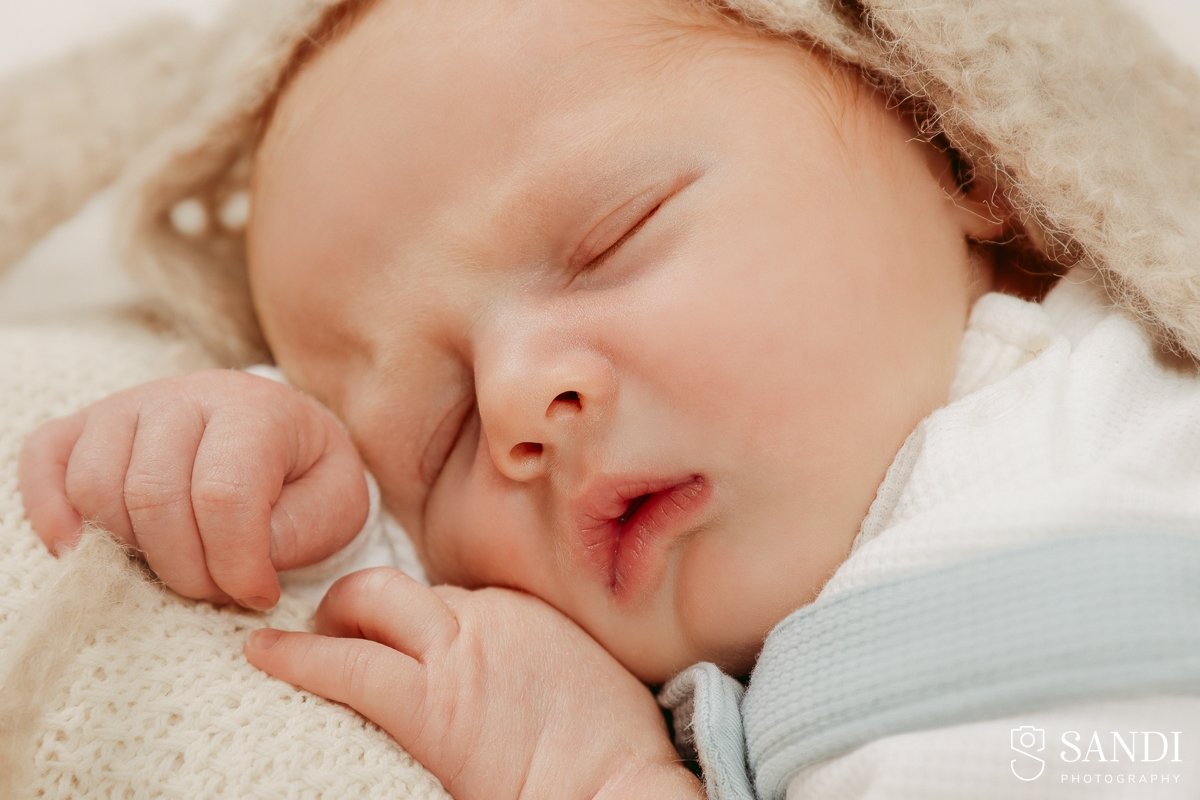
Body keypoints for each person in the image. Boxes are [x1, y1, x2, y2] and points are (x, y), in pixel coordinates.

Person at [16, 0, 1200, 797]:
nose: (523, 400)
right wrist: (260, 465)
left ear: (955, 151)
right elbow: (383, 601)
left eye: (608, 240)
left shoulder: (1127, 379)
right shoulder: (681, 723)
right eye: (443, 438)